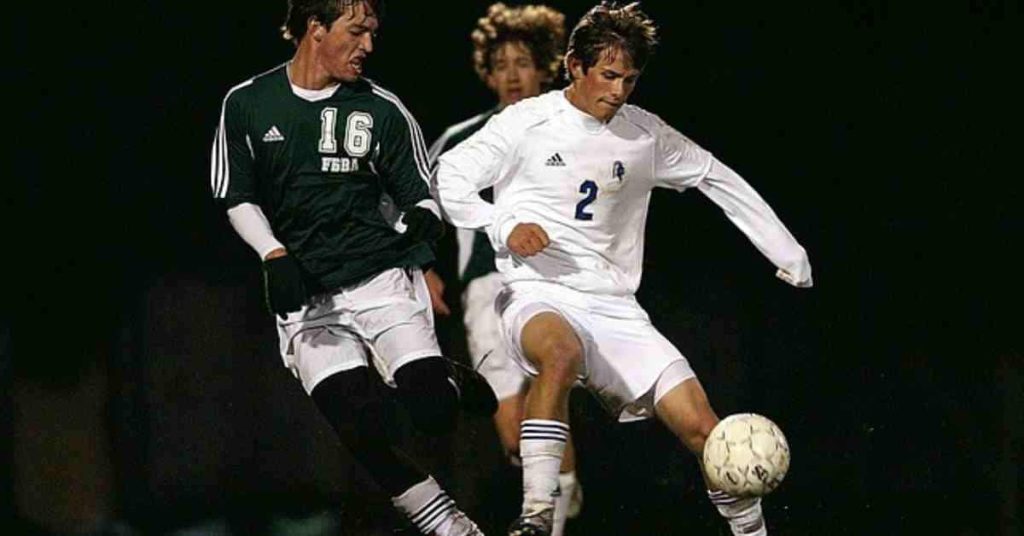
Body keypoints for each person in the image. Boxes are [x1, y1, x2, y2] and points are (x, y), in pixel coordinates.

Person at [435, 2, 813, 535]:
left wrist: (787, 252)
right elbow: (448, 176)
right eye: (608, 75)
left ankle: (752, 532)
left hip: (615, 309)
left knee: (706, 431)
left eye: (629, 80)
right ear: (574, 65)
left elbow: (717, 177)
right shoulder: (526, 123)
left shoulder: (644, 136)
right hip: (536, 292)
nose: (617, 91)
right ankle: (537, 517)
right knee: (559, 354)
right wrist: (501, 225)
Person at [209, 1, 497, 534]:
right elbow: (236, 193)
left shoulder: (382, 108)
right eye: (358, 30)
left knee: (431, 413)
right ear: (315, 28)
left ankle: (445, 381)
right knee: (358, 424)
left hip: (381, 281)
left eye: (373, 33)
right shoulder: (247, 102)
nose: (369, 45)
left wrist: (422, 219)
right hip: (310, 299)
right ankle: (447, 525)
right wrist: (273, 253)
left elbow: (421, 193)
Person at [426, 4, 581, 535]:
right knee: (515, 436)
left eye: (524, 62)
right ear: (487, 74)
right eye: (501, 64)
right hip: (484, 291)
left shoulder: (576, 133)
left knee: (550, 383)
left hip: (551, 282)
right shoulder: (459, 140)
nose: (513, 74)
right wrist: (421, 267)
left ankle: (551, 521)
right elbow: (415, 209)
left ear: (545, 68)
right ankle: (562, 488)